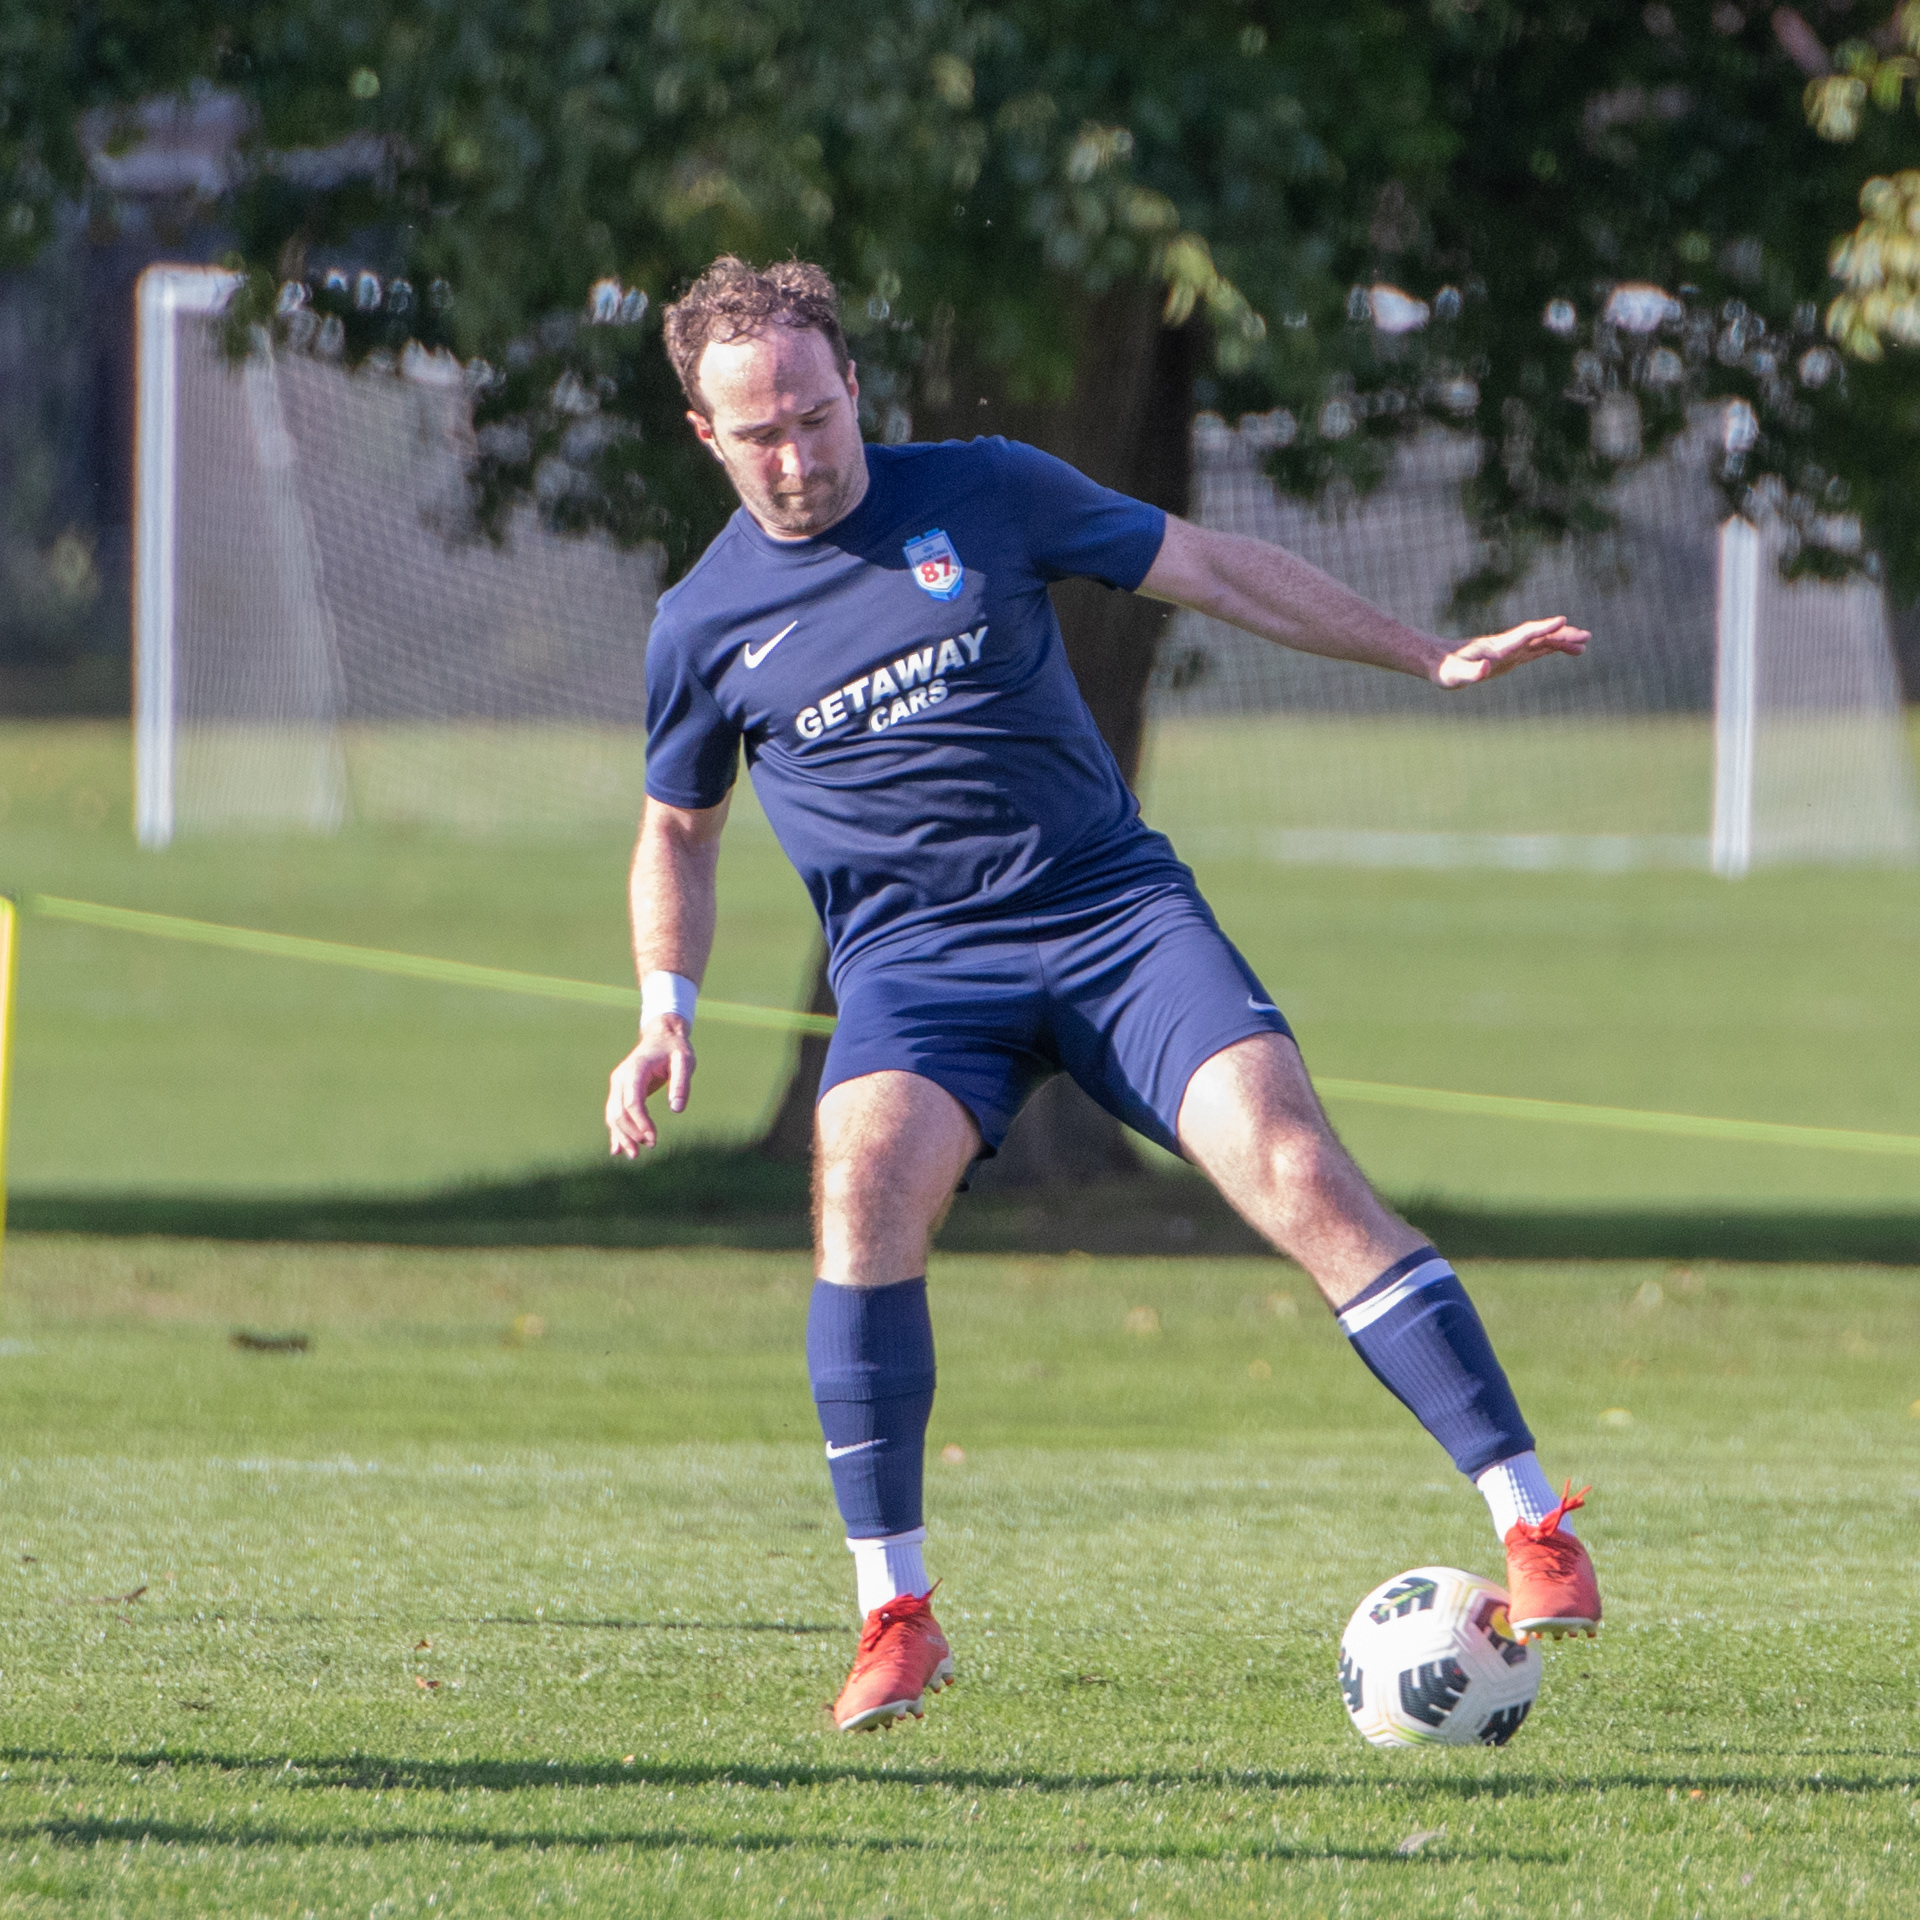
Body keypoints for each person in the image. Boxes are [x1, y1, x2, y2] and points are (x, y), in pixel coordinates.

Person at [606, 256, 1601, 1736]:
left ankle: (1531, 1520)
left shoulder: (988, 488)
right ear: (707, 435)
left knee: (1292, 1165)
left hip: (1112, 919)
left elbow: (1211, 567)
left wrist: (1421, 653)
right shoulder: (702, 624)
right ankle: (895, 1616)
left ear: (854, 385)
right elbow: (677, 831)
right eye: (763, 436)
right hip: (918, 976)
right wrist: (665, 1006)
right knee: (859, 1180)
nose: (801, 455)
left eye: (818, 415)